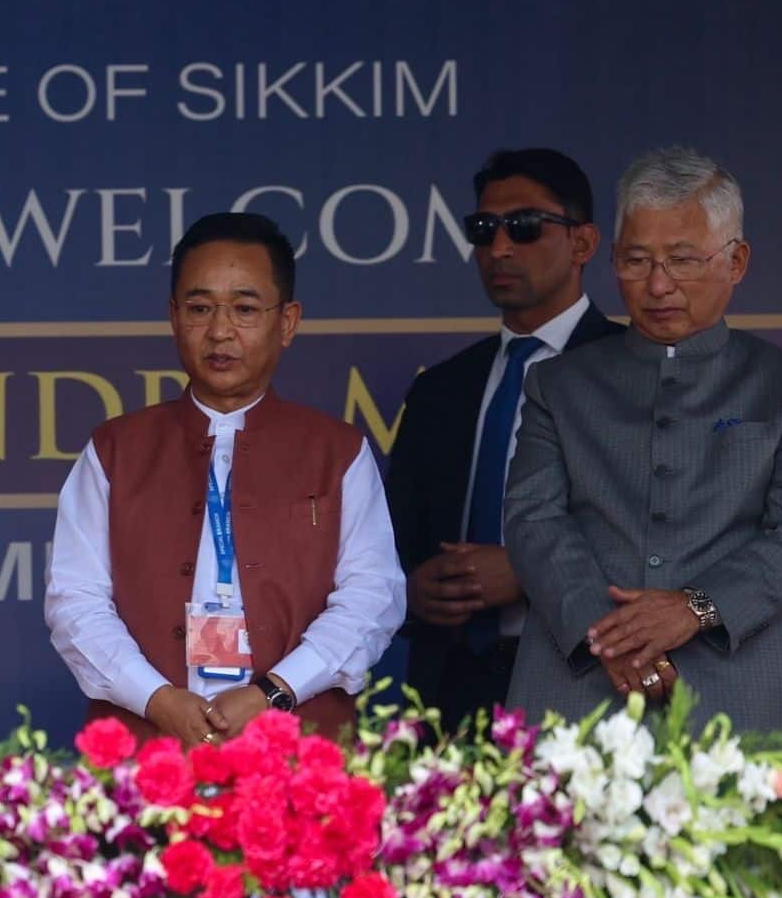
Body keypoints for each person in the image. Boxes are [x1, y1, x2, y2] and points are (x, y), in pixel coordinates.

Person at [506, 147, 782, 732]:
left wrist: (695, 607)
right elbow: (534, 519)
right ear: (611, 260)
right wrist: (610, 636)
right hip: (584, 679)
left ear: (735, 261)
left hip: (747, 686)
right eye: (636, 261)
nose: (658, 285)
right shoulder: (557, 384)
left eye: (683, 261)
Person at [45, 212, 404, 745]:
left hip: (297, 746)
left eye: (245, 308)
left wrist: (272, 694)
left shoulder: (338, 451)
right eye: (199, 308)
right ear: (173, 317)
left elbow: (372, 599)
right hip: (149, 744)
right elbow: (76, 603)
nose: (219, 331)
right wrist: (160, 701)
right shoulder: (114, 450)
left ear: (287, 322)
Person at [387, 150, 625, 724]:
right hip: (448, 693)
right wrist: (413, 591)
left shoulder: (634, 372)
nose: (498, 248)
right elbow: (392, 546)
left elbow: (669, 536)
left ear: (584, 243)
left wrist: (527, 570)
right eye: (483, 229)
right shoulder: (440, 389)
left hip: (589, 683)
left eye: (523, 227)